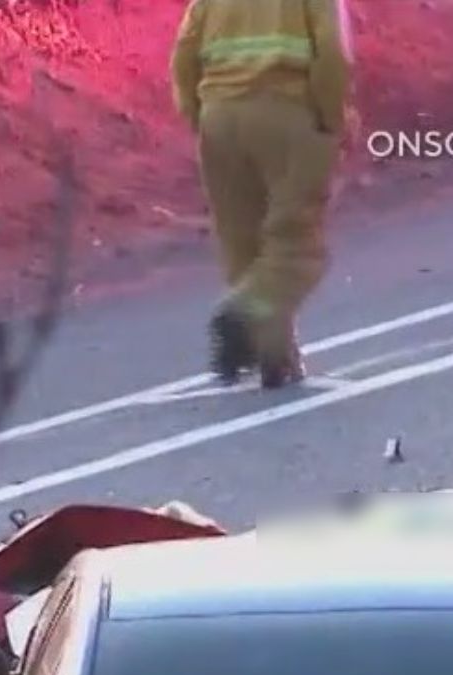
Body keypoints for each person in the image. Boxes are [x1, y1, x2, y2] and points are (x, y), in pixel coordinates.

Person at [170, 0, 355, 389]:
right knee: (297, 247)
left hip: (219, 118)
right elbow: (333, 55)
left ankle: (275, 358)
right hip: (289, 113)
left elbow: (184, 54)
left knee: (243, 245)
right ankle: (243, 314)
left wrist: (198, 116)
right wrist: (331, 118)